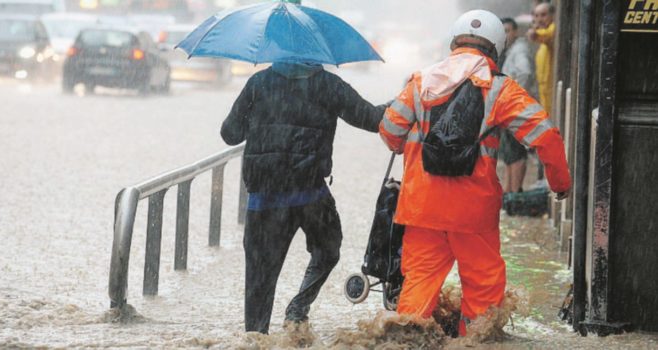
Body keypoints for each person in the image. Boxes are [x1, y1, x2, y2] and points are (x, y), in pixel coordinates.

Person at [378, 10, 571, 336]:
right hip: (473, 213)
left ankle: (406, 339)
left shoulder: (421, 80)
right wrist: (560, 184)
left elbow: (389, 130)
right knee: (483, 298)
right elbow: (546, 137)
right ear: (496, 46)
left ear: (454, 41)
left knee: (416, 296)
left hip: (421, 209)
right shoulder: (500, 90)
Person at [221, 61, 386, 334]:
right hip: (311, 195)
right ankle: (298, 308)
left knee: (259, 280)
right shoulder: (330, 85)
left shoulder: (258, 83)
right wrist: (400, 104)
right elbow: (372, 119)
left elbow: (230, 134)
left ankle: (255, 337)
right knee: (328, 250)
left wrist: (260, 119)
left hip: (265, 199)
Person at [499, 17, 538, 194]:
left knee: (515, 150)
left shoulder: (519, 50)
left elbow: (525, 72)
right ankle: (509, 190)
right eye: (502, 32)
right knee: (508, 150)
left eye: (508, 31)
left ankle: (515, 192)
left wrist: (514, 97)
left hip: (515, 107)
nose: (505, 35)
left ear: (515, 31)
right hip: (509, 107)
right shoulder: (511, 50)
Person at [528, 2, 556, 114]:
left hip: (551, 91)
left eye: (543, 15)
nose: (539, 19)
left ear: (552, 16)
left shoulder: (553, 30)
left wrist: (534, 32)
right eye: (536, 16)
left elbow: (543, 34)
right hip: (544, 90)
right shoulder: (542, 43)